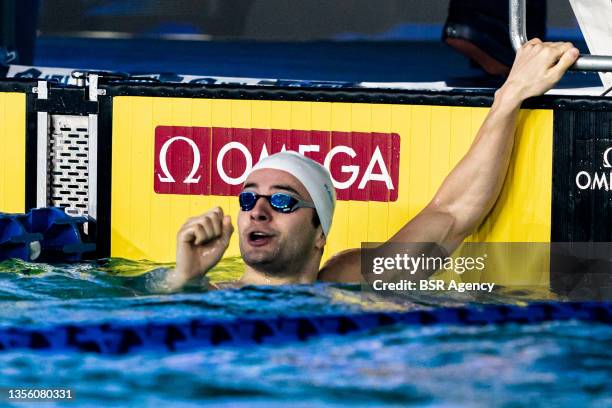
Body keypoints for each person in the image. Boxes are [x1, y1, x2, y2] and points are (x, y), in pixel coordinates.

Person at [151, 40, 579, 292]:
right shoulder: (210, 295)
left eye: (281, 201)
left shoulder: (350, 279)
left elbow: (450, 214)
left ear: (320, 232)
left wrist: (508, 98)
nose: (257, 211)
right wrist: (183, 283)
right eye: (248, 198)